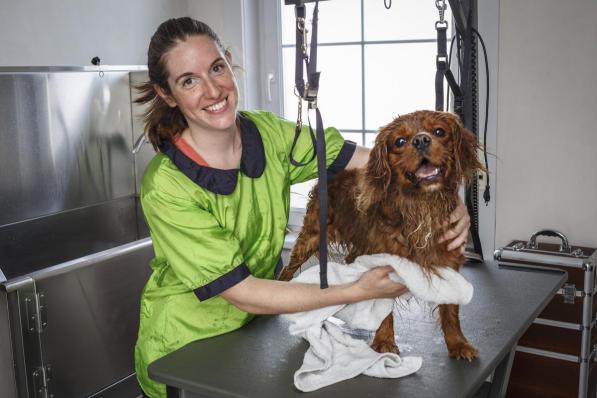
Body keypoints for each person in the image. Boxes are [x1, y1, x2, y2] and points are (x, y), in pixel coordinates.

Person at [134, 17, 471, 398]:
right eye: (188, 80)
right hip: (185, 349)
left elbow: (370, 162)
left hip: (254, 332)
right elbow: (242, 292)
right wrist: (357, 290)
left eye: (216, 68)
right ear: (167, 94)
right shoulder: (167, 185)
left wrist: (443, 187)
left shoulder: (265, 132)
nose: (213, 90)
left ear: (229, 62)